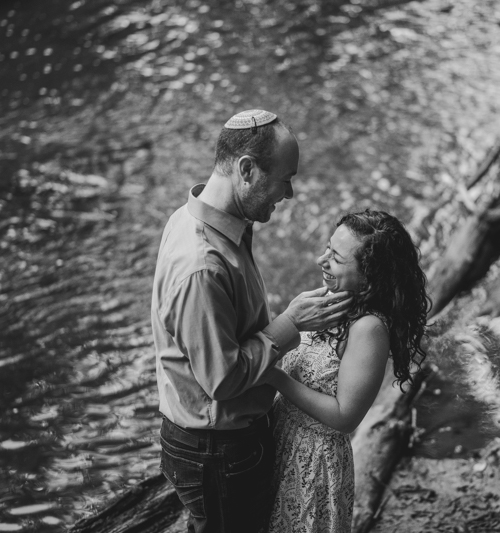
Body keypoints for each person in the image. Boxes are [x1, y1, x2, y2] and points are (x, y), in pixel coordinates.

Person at [151, 109, 353, 533]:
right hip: (217, 451)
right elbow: (221, 381)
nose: (291, 193)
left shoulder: (204, 221)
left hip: (218, 445)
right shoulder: (202, 266)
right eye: (285, 178)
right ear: (247, 169)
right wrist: (290, 324)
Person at [263, 209, 431, 533]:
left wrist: (273, 377)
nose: (320, 260)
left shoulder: (369, 329)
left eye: (335, 258)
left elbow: (345, 416)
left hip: (313, 462)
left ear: (369, 275)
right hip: (278, 439)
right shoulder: (330, 298)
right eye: (327, 248)